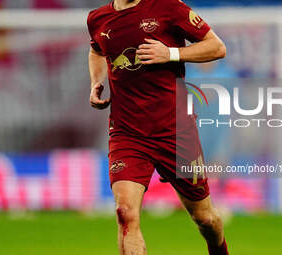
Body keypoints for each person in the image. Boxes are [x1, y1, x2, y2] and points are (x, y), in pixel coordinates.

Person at [87, 0, 228, 254]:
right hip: (126, 132)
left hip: (175, 132)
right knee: (125, 213)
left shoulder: (168, 7)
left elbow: (217, 47)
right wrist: (96, 82)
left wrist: (171, 53)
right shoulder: (97, 19)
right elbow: (97, 50)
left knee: (205, 218)